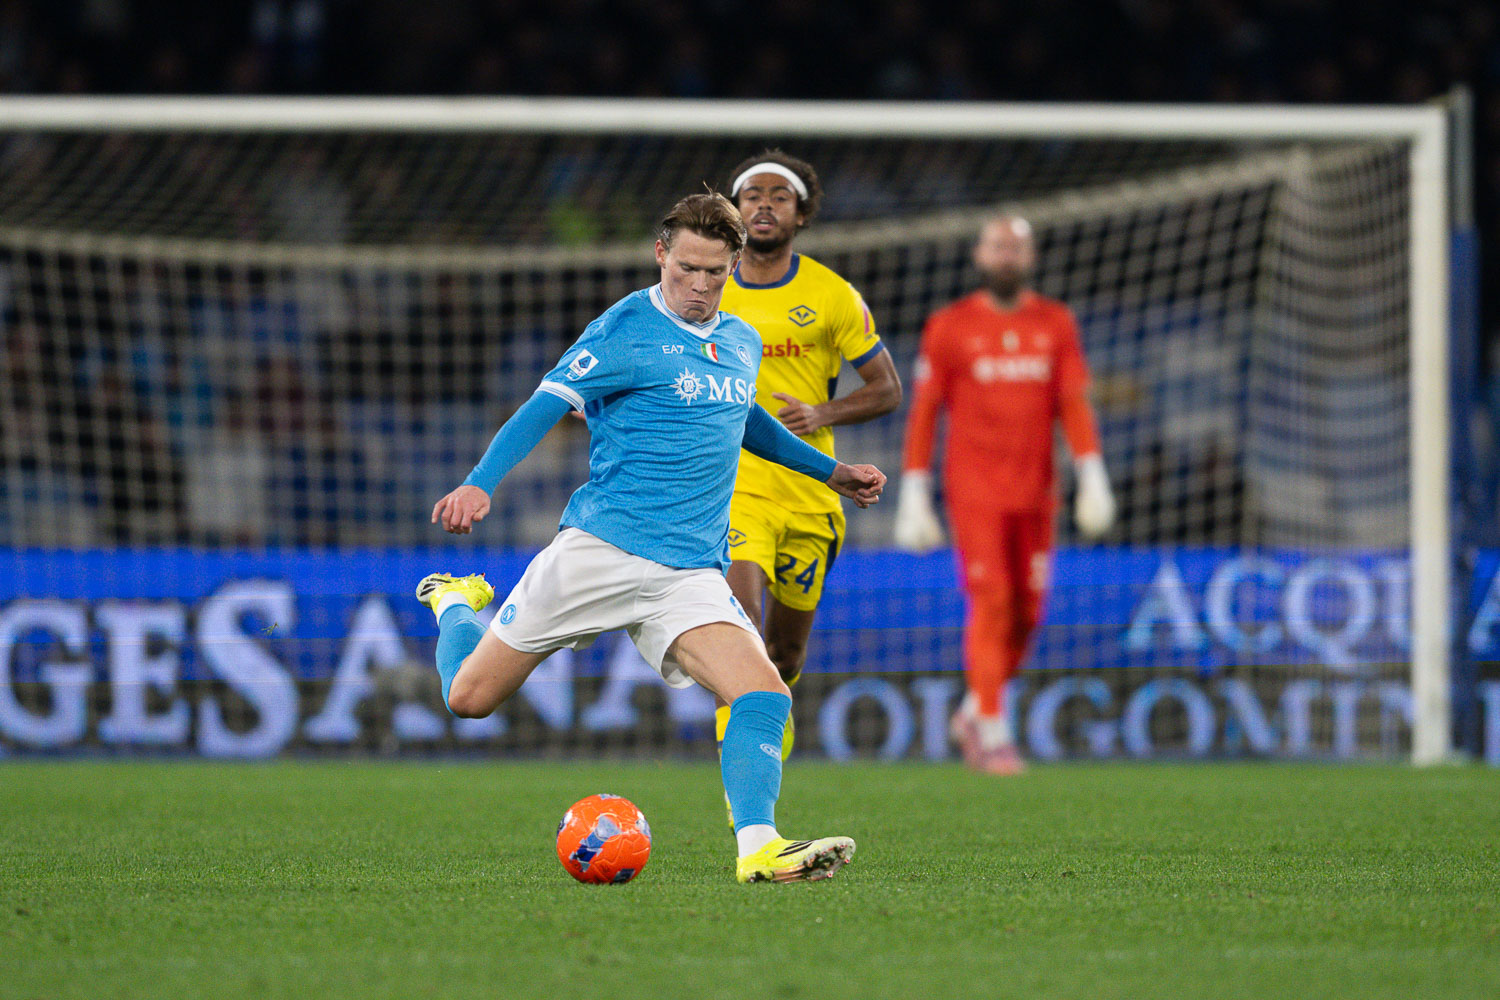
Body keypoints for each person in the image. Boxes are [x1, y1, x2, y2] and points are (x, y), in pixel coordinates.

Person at [420, 192, 886, 884]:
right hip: (601, 551)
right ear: (661, 254)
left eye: (715, 273)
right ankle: (453, 601)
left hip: (689, 571)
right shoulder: (623, 330)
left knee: (764, 693)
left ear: (733, 267)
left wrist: (832, 471)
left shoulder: (740, 340)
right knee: (469, 699)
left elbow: (745, 418)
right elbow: (543, 406)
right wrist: (479, 483)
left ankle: (759, 847)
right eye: (686, 268)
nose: (699, 286)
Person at [894, 214, 1115, 775]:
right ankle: (994, 728)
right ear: (979, 255)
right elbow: (925, 412)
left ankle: (973, 708)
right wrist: (914, 493)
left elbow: (1073, 403)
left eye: (1016, 247)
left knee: (1028, 612)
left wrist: (1092, 473)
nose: (1007, 256)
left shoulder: (1056, 323)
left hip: (1038, 494)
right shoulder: (949, 326)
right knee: (991, 602)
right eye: (998, 246)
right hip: (975, 493)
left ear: (1031, 257)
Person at [717, 150, 902, 775]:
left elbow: (887, 388)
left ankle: (770, 716)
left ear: (801, 214)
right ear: (735, 211)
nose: (764, 205)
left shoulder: (831, 294)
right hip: (734, 488)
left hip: (811, 490)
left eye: (780, 196)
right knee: (740, 631)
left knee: (783, 653)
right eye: (752, 196)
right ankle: (743, 790)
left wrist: (823, 412)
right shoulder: (707, 286)